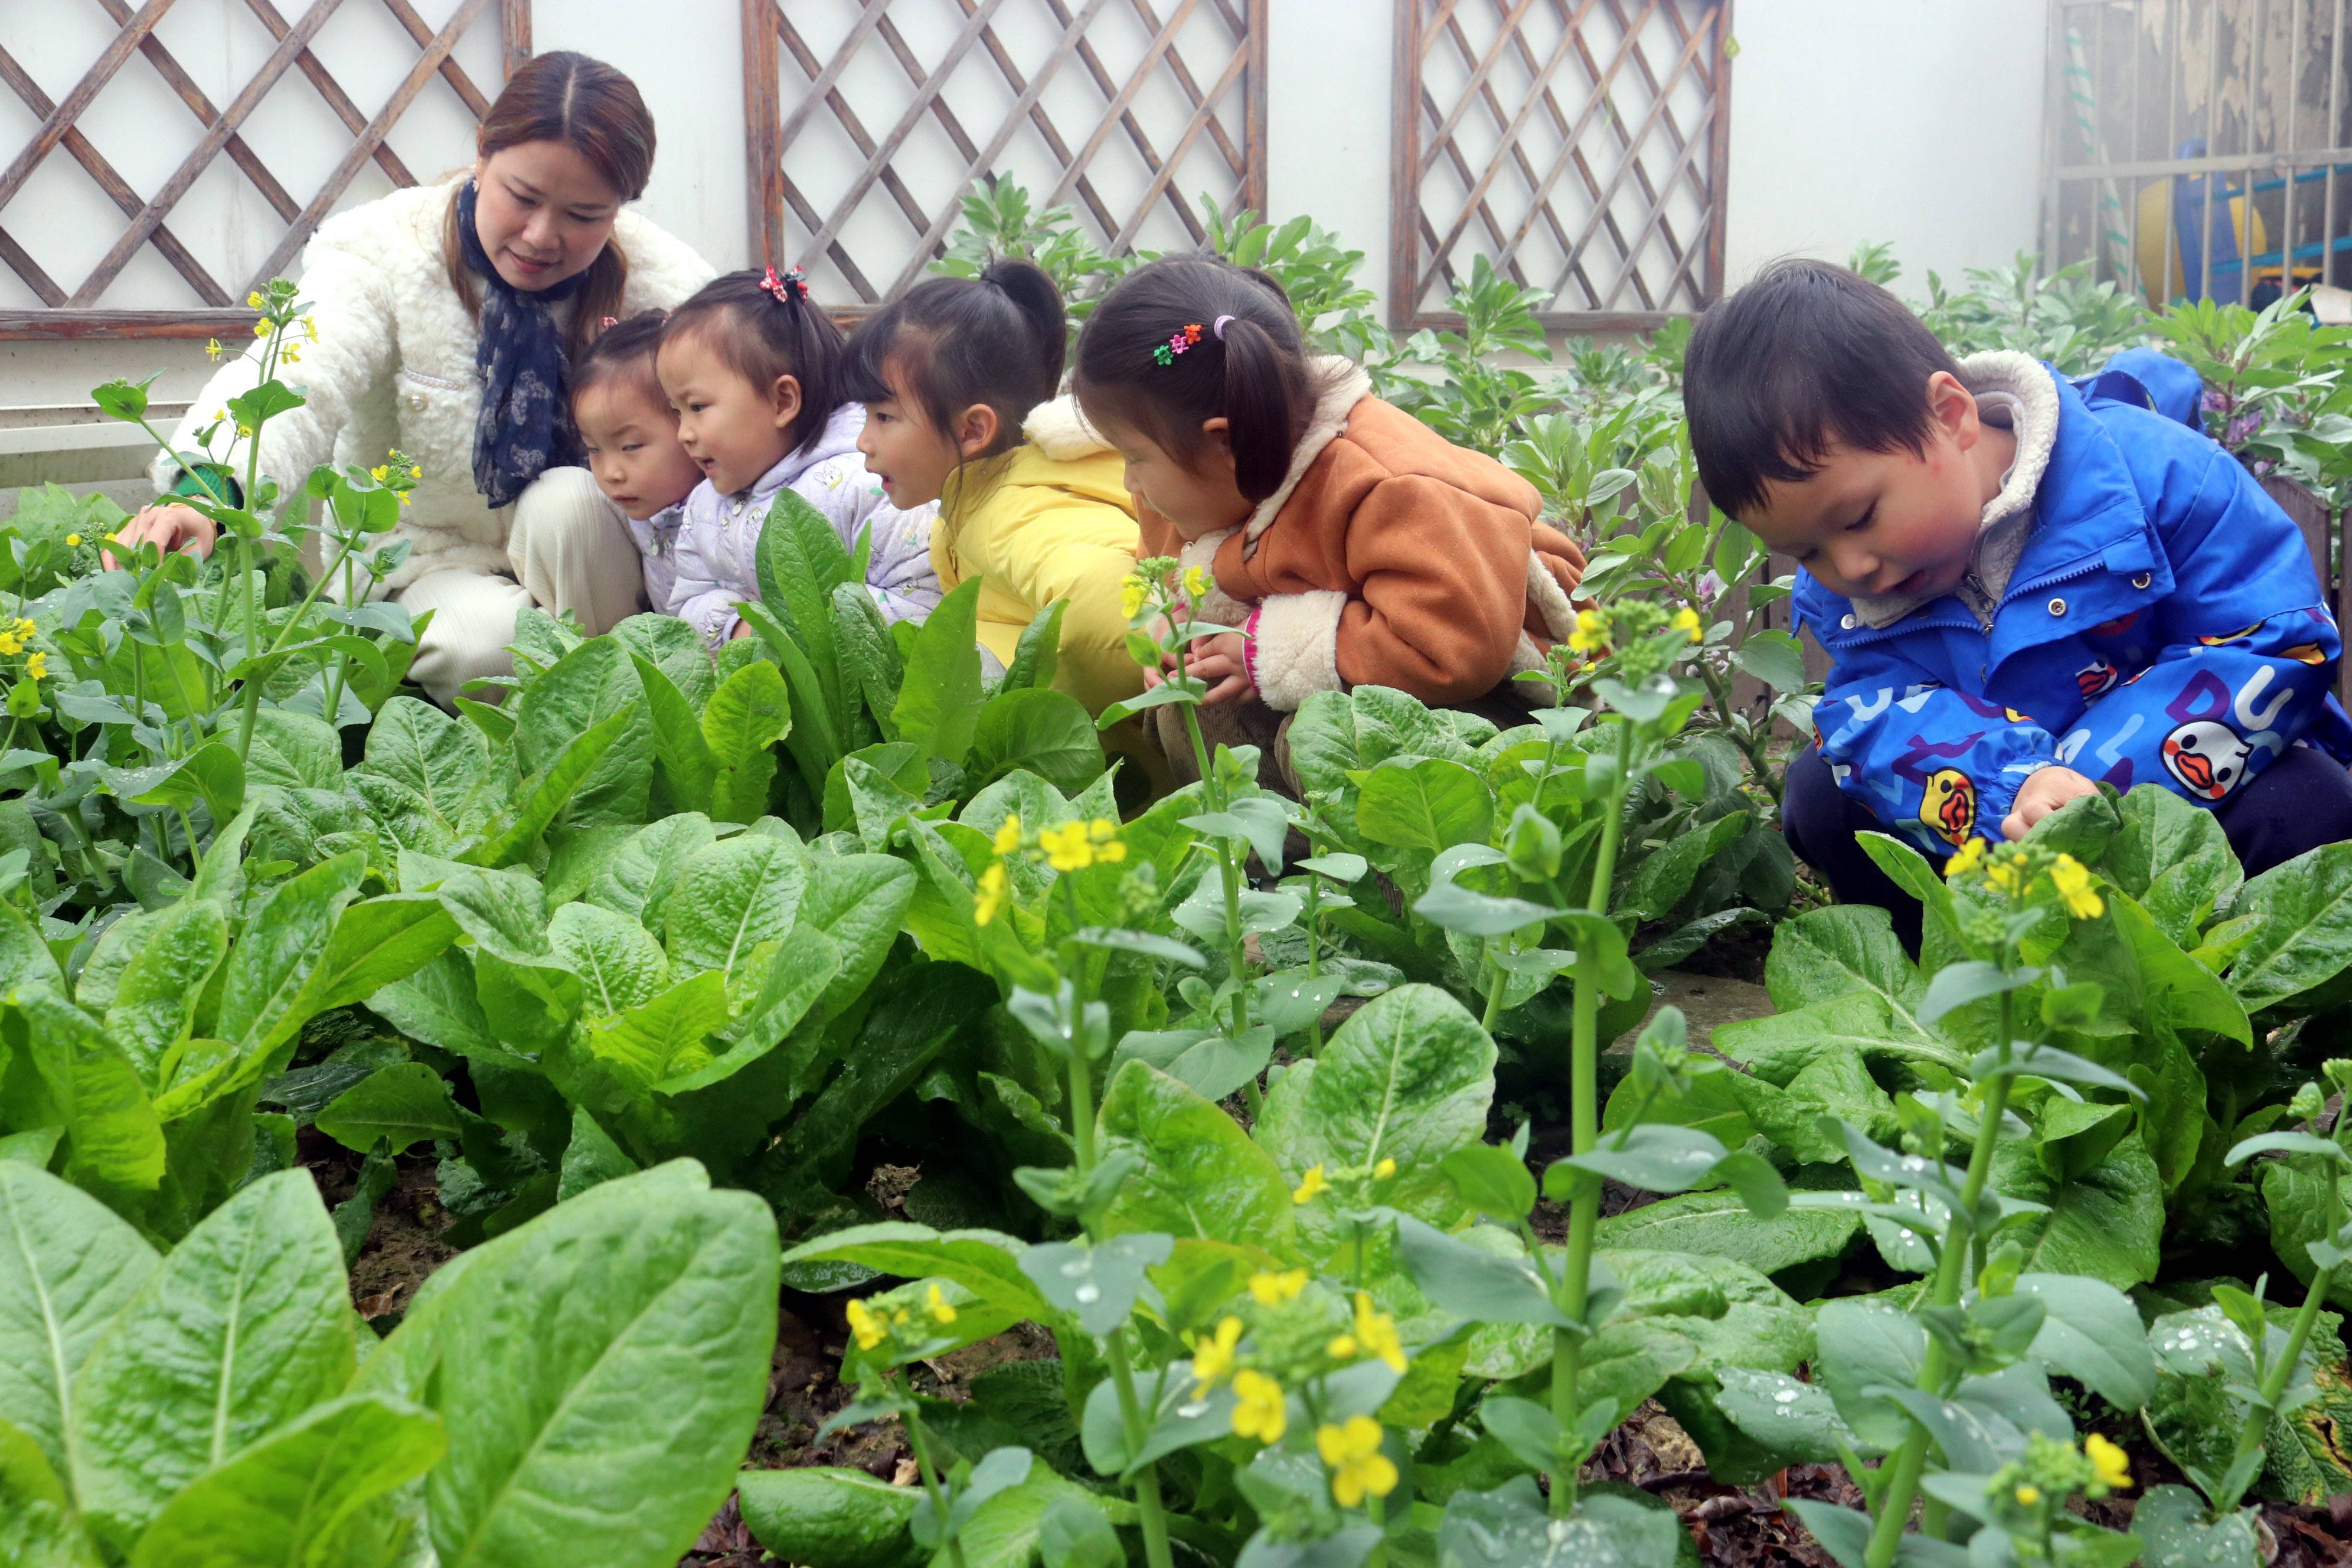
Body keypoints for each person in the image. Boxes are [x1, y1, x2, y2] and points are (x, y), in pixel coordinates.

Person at [1682, 258, 2352, 948]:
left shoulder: (2158, 476)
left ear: (1951, 416)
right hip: (2001, 826)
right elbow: (1873, 714)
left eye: (1857, 519)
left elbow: (2275, 638)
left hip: (2178, 807)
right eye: (1809, 552)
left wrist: (2090, 786)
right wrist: (2016, 784)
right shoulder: (1854, 591)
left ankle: (2226, 999)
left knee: (2310, 805)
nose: (1849, 568)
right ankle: (1953, 978)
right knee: (1823, 794)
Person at [120, 51, 714, 706]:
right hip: (426, 558)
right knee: (490, 647)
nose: (544, 236)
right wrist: (203, 495)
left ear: (619, 209)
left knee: (571, 500)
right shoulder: (387, 250)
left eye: (584, 216)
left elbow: (749, 383)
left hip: (587, 555)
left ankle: (608, 708)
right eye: (523, 198)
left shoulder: (657, 280)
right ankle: (612, 709)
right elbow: (301, 374)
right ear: (484, 154)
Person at [1069, 256, 1587, 789]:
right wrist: (1173, 628)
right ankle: (1261, 865)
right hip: (1354, 672)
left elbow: (1455, 647)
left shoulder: (1392, 486)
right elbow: (1160, 570)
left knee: (1326, 737)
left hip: (1510, 696)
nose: (1130, 484)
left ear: (1223, 442)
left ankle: (1374, 872)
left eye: (1133, 457)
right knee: (1189, 706)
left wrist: (1261, 649)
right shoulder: (1189, 486)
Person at [844, 259, 1142, 716]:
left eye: (884, 417)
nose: (864, 441)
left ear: (972, 431)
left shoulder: (1015, 517)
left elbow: (1121, 623)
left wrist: (1030, 707)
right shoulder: (974, 504)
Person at [659, 267, 937, 648]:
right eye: (676, 412)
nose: (683, 434)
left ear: (782, 401)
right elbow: (688, 600)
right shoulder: (705, 505)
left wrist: (803, 635)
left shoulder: (870, 484)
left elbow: (922, 602)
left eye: (697, 407)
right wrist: (738, 628)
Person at [572, 310, 702, 611]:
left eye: (630, 446)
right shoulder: (647, 510)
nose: (611, 474)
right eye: (593, 449)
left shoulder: (726, 516)